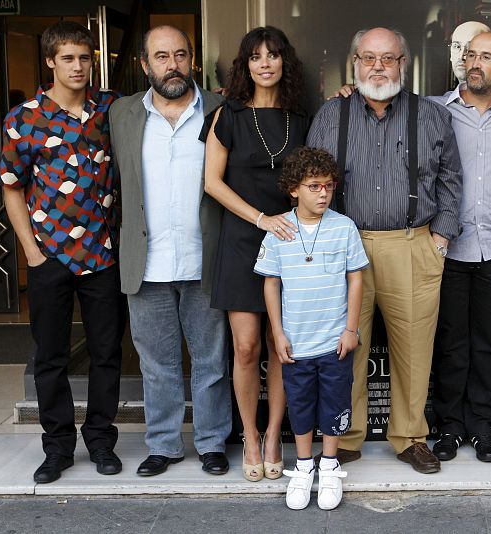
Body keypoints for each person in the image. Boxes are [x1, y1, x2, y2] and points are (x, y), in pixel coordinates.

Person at [308, 27, 462, 474]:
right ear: (355, 62)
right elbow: (310, 181)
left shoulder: (431, 115)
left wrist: (441, 239)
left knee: (414, 350)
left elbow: (451, 179)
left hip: (411, 244)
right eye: (369, 58)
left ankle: (410, 437)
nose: (378, 66)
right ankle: (346, 436)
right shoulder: (331, 114)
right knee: (344, 348)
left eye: (388, 58)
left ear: (403, 64)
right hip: (344, 245)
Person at [0, 21, 124, 483]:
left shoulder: (111, 109)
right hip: (48, 257)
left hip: (103, 255)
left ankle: (100, 441)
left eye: (85, 57)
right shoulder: (24, 118)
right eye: (68, 58)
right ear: (50, 61)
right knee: (50, 357)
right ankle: (58, 449)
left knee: (106, 353)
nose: (78, 66)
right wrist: (31, 254)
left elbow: (172, 99)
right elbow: (12, 188)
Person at [110, 25, 232, 477]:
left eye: (180, 55)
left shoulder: (220, 109)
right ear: (144, 65)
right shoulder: (122, 113)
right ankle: (162, 445)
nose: (172, 64)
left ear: (192, 60)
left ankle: (212, 442)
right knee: (157, 364)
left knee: (211, 361)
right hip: (146, 262)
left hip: (207, 258)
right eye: (161, 57)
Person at [203, 26, 309, 481]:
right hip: (244, 241)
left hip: (290, 242)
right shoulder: (226, 115)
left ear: (285, 63)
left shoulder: (302, 119)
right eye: (255, 57)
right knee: (245, 348)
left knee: (280, 346)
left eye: (273, 55)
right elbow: (212, 183)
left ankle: (272, 434)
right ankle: (247, 433)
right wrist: (260, 218)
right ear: (244, 65)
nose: (265, 63)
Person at [429, 32, 491, 464]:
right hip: (447, 246)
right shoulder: (434, 110)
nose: (476, 62)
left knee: (488, 342)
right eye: (471, 54)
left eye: (487, 56)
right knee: (451, 343)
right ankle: (449, 428)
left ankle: (483, 429)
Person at [255, 147, 368, 511]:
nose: (323, 193)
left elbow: (356, 278)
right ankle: (304, 467)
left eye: (329, 186)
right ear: (293, 189)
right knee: (300, 405)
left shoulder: (343, 227)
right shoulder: (278, 231)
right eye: (314, 186)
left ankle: (330, 465)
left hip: (334, 339)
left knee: (335, 403)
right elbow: (270, 283)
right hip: (297, 341)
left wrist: (351, 329)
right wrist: (277, 332)